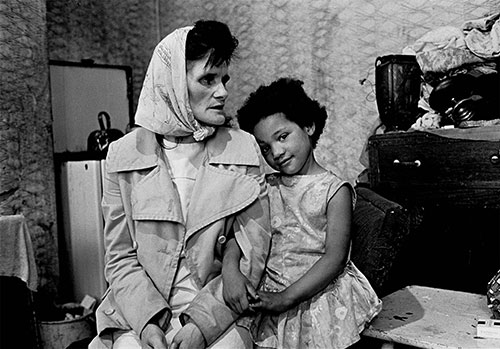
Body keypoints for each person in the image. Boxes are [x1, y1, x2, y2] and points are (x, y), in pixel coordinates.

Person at [89, 20, 271, 349]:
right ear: (173, 82)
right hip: (139, 312)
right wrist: (147, 327)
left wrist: (202, 326)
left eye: (224, 79)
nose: (223, 92)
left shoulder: (243, 149)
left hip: (220, 310)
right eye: (208, 79)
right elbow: (120, 259)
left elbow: (252, 251)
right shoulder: (123, 156)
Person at [225, 77, 382, 349]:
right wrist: (231, 270)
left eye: (283, 137)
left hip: (315, 298)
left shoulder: (334, 189)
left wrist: (286, 298)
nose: (276, 152)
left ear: (308, 126)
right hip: (269, 295)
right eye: (265, 148)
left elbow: (335, 258)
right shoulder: (265, 187)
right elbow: (240, 236)